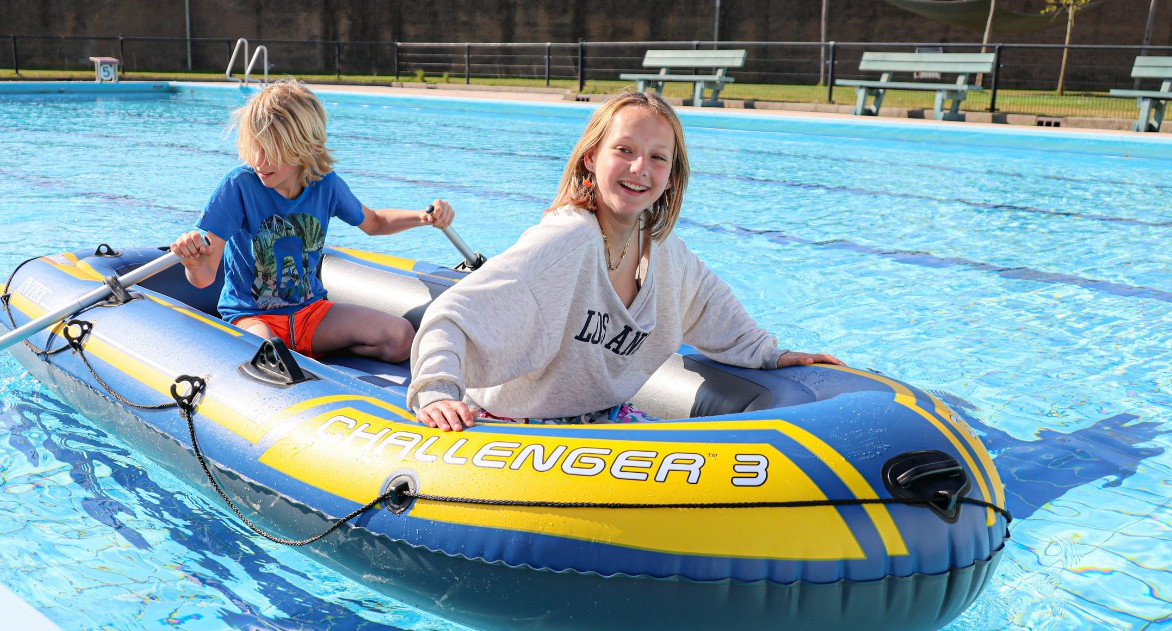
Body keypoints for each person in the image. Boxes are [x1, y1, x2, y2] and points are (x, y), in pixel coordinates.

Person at [408, 89, 842, 431]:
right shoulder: (565, 242)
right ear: (591, 156)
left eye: (657, 158)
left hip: (606, 418)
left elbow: (711, 308)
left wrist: (771, 354)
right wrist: (436, 391)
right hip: (518, 428)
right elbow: (454, 313)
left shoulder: (661, 247)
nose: (640, 168)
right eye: (624, 150)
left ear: (671, 177)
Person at [171, 79, 454, 363]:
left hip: (311, 313)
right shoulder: (239, 186)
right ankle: (297, 356)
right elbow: (204, 277)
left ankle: (313, 354)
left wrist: (423, 217)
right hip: (252, 316)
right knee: (270, 357)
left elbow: (375, 222)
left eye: (272, 150)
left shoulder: (325, 185)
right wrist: (193, 263)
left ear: (303, 147)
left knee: (402, 338)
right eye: (255, 146)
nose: (259, 160)